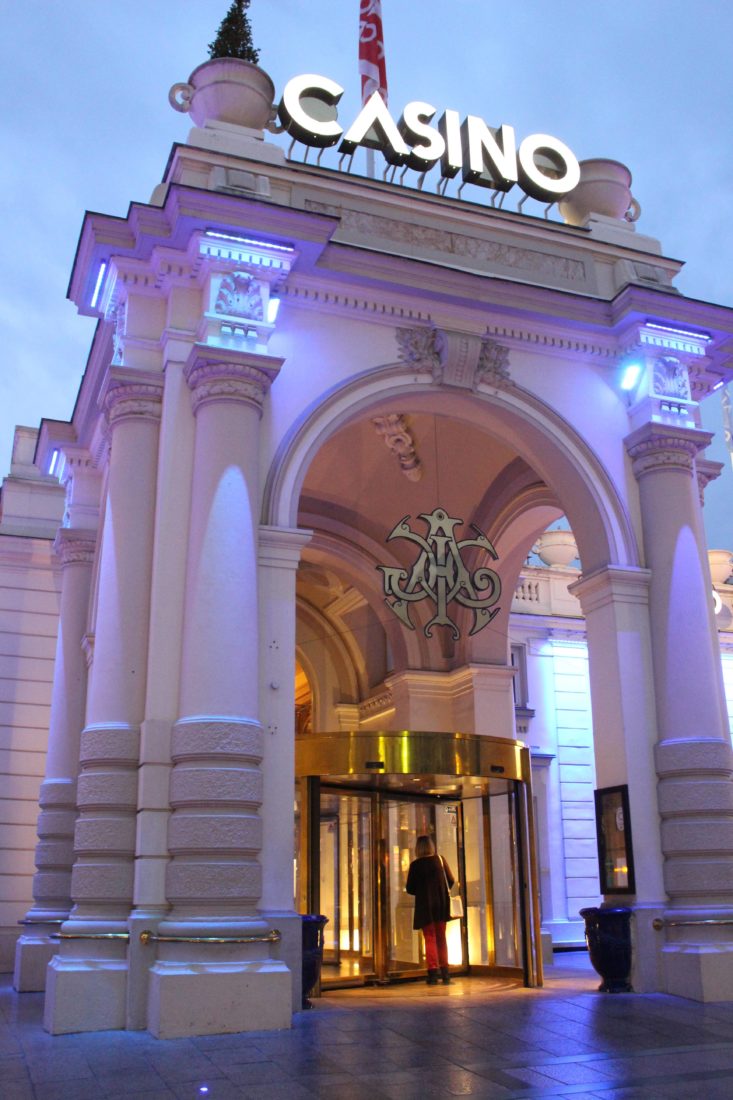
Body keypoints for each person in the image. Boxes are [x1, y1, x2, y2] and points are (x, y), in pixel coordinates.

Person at [405, 833, 457, 985]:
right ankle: (445, 972)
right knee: (441, 938)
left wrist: (422, 891)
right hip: (441, 905)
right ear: (431, 846)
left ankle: (433, 973)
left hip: (425, 906)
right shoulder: (440, 860)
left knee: (430, 938)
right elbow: (452, 880)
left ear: (418, 848)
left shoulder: (415, 865)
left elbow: (410, 888)